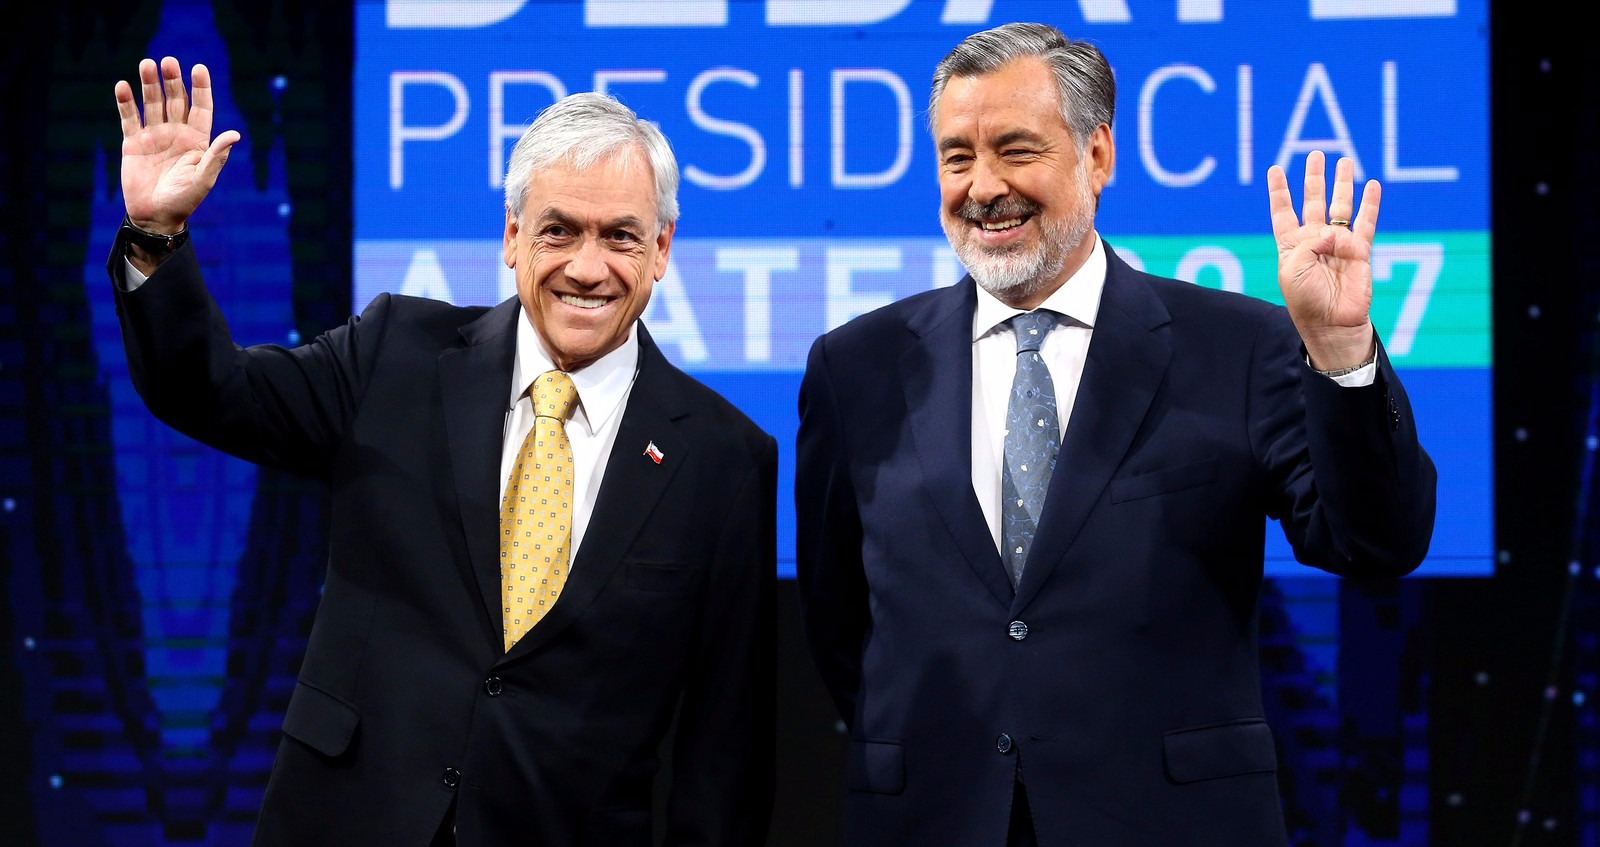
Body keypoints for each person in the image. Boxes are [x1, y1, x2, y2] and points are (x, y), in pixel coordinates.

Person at [794, 22, 1437, 847]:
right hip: (933, 818)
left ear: (1097, 156)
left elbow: (1375, 541)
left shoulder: (1239, 346)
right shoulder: (857, 367)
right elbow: (841, 621)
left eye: (1016, 150)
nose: (983, 185)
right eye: (957, 157)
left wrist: (1342, 353)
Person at [110, 55, 776, 846]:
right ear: (512, 236)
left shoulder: (727, 458)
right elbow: (211, 392)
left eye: (620, 236)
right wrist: (157, 234)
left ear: (661, 249)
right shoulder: (397, 351)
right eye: (558, 229)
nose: (586, 267)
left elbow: (723, 746)